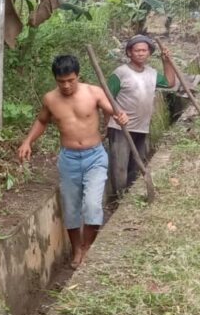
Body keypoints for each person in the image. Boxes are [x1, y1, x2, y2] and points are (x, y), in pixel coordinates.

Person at [18, 55, 129, 269]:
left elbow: (113, 111)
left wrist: (121, 116)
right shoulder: (50, 99)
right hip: (68, 159)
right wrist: (27, 141)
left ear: (78, 76)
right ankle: (77, 249)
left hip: (95, 156)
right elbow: (42, 120)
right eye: (61, 81)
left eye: (71, 80)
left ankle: (87, 247)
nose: (67, 85)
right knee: (71, 210)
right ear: (55, 80)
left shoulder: (93, 92)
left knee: (93, 206)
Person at [105, 35, 177, 197]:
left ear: (149, 53)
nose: (141, 53)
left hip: (141, 127)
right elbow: (106, 100)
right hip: (120, 127)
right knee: (120, 166)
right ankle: (119, 197)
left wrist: (166, 62)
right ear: (129, 53)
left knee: (136, 164)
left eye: (144, 50)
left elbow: (170, 83)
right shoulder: (120, 73)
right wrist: (107, 123)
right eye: (136, 50)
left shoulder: (151, 74)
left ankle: (129, 196)